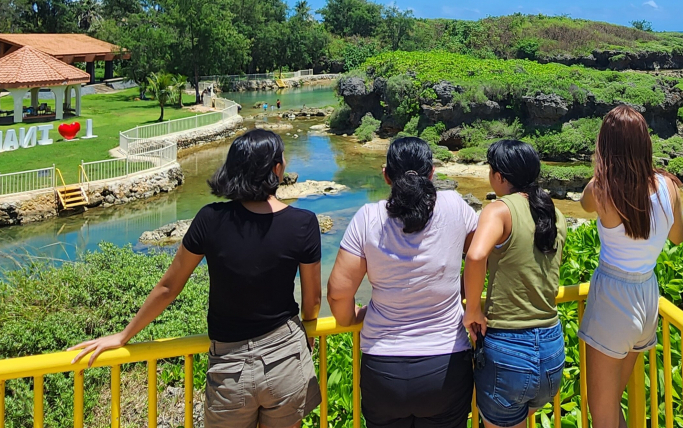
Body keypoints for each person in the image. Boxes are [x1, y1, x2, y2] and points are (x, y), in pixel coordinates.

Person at [71, 129, 322, 428]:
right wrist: (307, 327)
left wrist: (124, 336)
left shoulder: (210, 219)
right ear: (276, 169)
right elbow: (313, 300)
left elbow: (168, 288)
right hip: (286, 358)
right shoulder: (303, 223)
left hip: (231, 366)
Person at [327, 137, 479, 428]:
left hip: (383, 368)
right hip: (445, 366)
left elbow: (337, 293)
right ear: (432, 173)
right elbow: (479, 256)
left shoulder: (368, 217)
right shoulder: (454, 206)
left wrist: (350, 318)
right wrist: (462, 291)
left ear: (385, 175)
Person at [578, 105, 683, 428]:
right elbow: (677, 237)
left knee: (602, 411)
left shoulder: (602, 189)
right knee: (613, 405)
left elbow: (583, 204)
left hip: (613, 300)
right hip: (647, 296)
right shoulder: (669, 187)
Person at [464, 140, 568, 428]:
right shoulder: (555, 214)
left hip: (509, 350)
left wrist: (472, 310)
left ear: (500, 177)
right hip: (551, 347)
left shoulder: (499, 209)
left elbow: (475, 256)